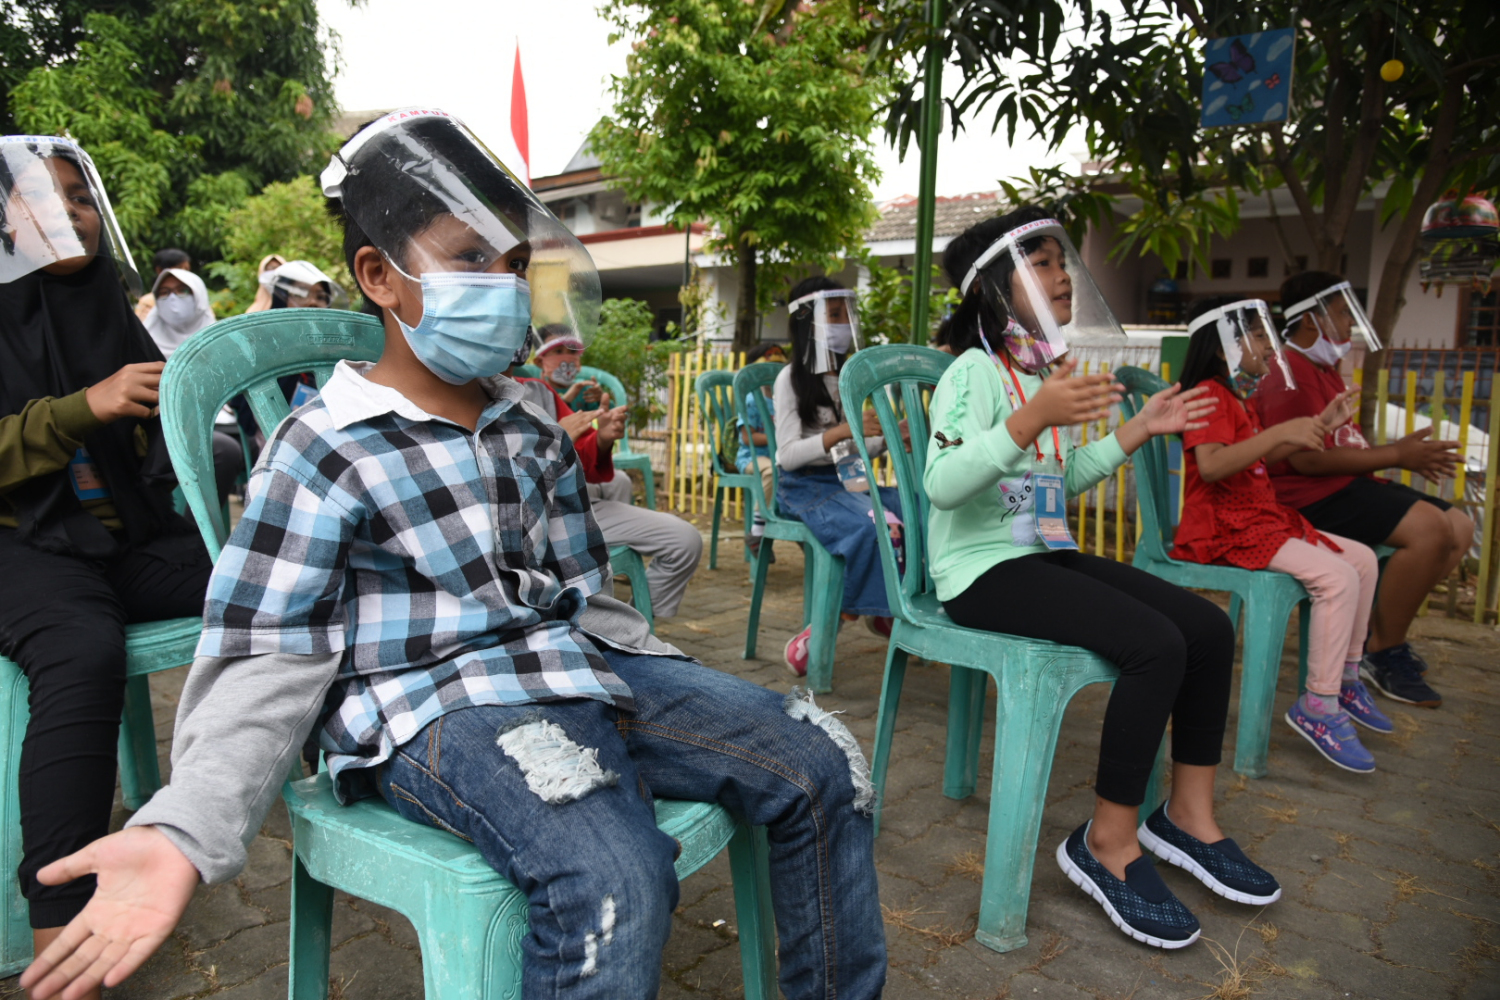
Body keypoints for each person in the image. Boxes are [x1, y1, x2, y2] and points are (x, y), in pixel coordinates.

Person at [20, 109, 885, 1000]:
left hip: (573, 668)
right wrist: (183, 828)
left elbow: (585, 592)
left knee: (822, 762)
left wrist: (679, 683)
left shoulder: (528, 416)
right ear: (378, 277)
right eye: (469, 258)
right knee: (614, 874)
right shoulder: (324, 447)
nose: (503, 287)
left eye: (514, 265)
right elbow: (265, 650)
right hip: (429, 705)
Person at [926, 207, 1278, 950]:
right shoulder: (973, 372)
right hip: (978, 571)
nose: (1062, 278)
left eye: (1062, 263)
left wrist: (1136, 430)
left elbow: (1056, 483)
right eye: (1044, 264)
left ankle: (1188, 814)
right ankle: (1109, 843)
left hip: (1038, 552)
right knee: (1154, 645)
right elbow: (944, 485)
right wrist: (1030, 420)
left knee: (1207, 629)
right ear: (997, 286)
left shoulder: (1037, 376)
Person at [0, 135, 213, 995]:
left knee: (261, 575)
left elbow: (156, 440)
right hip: (16, 543)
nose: (68, 213)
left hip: (113, 540)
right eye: (40, 197)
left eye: (80, 196)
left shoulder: (101, 305)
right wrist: (81, 410)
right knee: (82, 651)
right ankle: (58, 929)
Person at [1174, 297, 1388, 772]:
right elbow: (1211, 467)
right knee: (1337, 577)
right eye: (1256, 337)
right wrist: (1276, 435)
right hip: (1224, 526)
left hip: (1256, 516)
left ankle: (1347, 677)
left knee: (1362, 561)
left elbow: (1252, 460)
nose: (1270, 351)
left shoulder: (1236, 396)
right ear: (1222, 344)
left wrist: (1312, 429)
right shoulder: (1209, 393)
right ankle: (1318, 704)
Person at [1254, 271, 1471, 709]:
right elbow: (1305, 461)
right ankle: (1381, 652)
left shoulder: (1322, 369)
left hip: (1342, 487)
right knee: (1430, 530)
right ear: (1312, 321)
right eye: (1341, 314)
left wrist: (1395, 456)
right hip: (1305, 497)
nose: (1350, 324)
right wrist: (1396, 455)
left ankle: (1373, 630)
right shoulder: (1287, 372)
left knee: (1460, 527)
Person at [510, 337, 704, 620]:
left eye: (572, 353)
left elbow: (584, 454)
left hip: (568, 504)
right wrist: (552, 441)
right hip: (531, 524)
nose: (568, 360)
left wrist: (601, 438)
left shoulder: (539, 391)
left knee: (682, 536)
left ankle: (638, 623)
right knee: (676, 534)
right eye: (558, 352)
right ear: (538, 359)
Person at [773, 276, 903, 675]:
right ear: (806, 322)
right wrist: (842, 432)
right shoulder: (789, 379)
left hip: (848, 481)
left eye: (848, 313)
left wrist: (894, 438)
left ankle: (888, 606)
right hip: (804, 487)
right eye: (834, 314)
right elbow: (788, 456)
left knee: (914, 510)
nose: (844, 322)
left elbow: (854, 449)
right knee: (874, 524)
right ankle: (833, 623)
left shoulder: (846, 379)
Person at [140, 266, 244, 506]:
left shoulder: (220, 338)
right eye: (164, 293)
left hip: (221, 423)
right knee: (223, 450)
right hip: (167, 426)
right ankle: (198, 535)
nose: (173, 299)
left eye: (181, 291)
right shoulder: (144, 339)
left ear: (198, 295)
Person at [735, 341, 786, 557]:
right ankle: (757, 531)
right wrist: (776, 438)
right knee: (771, 472)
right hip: (752, 458)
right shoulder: (752, 400)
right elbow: (747, 437)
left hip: (781, 456)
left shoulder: (784, 400)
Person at [535, 323, 608, 410]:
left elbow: (603, 420)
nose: (567, 359)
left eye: (572, 351)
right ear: (540, 362)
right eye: (558, 351)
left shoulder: (586, 391)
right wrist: (565, 401)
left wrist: (601, 400)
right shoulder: (536, 393)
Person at [131, 248, 191, 320]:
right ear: (159, 270)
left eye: (187, 269)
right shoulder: (149, 301)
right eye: (179, 268)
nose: (184, 273)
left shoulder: (195, 296)